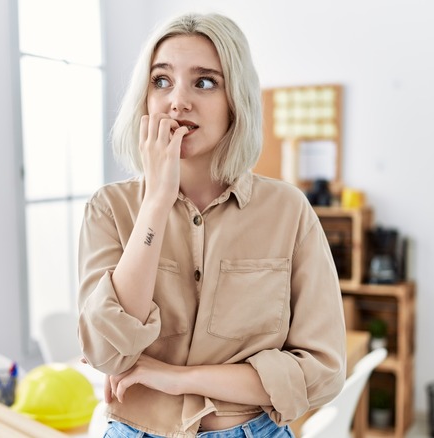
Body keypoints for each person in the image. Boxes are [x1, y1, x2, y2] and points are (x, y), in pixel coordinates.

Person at [77, 12, 346, 438]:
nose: (177, 101)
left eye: (204, 82)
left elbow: (323, 371)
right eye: (161, 80)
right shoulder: (109, 209)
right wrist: (156, 203)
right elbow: (107, 352)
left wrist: (176, 378)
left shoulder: (289, 211)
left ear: (235, 99)